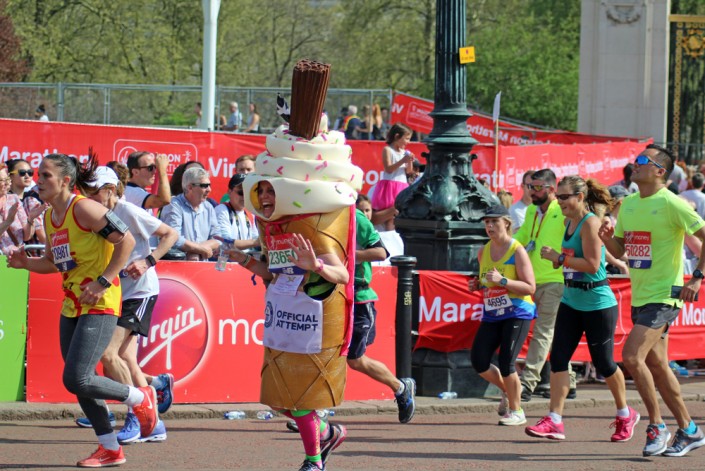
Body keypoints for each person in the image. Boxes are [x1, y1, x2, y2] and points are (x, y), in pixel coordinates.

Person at [5, 152, 158, 468]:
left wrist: (103, 281)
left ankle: (140, 397)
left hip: (101, 302)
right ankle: (111, 449)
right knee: (82, 381)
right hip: (73, 304)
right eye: (38, 174)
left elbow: (127, 242)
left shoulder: (85, 208)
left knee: (77, 378)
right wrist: (25, 263)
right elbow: (54, 263)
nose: (38, 180)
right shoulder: (51, 217)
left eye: (45, 175)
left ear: (65, 181)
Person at [230, 179, 351, 471]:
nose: (265, 197)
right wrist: (244, 260)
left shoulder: (312, 232)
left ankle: (314, 461)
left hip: (310, 323)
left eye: (272, 191)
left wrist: (316, 265)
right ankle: (326, 432)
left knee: (300, 401)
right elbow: (274, 273)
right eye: (261, 191)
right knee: (276, 400)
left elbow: (343, 276)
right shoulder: (274, 231)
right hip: (281, 317)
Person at [599, 144, 705, 457]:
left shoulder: (672, 203)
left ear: (660, 171)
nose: (636, 163)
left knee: (632, 357)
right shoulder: (630, 204)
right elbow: (621, 250)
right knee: (657, 366)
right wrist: (607, 238)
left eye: (643, 160)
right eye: (636, 159)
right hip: (641, 295)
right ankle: (689, 429)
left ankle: (657, 426)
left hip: (665, 295)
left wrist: (697, 276)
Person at [285, 194, 417, 435]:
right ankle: (317, 410)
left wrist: (349, 255)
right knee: (324, 351)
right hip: (328, 293)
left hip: (359, 296)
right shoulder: (315, 218)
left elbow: (381, 253)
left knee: (355, 359)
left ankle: (400, 387)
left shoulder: (356, 218)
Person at [525, 175, 639, 442]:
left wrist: (559, 257)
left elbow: (592, 264)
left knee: (604, 363)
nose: (559, 201)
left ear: (579, 197)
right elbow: (573, 261)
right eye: (558, 197)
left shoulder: (590, 223)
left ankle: (625, 413)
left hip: (597, 302)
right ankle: (554, 419)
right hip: (571, 299)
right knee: (558, 358)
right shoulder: (569, 222)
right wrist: (559, 261)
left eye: (564, 197)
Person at [80, 165, 178, 443]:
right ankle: (154, 422)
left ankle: (136, 414)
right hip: (116, 293)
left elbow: (170, 234)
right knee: (124, 358)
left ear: (110, 190)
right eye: (86, 192)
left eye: (94, 192)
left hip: (140, 292)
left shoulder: (128, 211)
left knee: (109, 355)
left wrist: (148, 261)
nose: (89, 198)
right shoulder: (93, 214)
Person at [469, 204, 536, 426]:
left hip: (517, 311)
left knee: (507, 361)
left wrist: (503, 280)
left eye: (494, 221)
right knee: (479, 360)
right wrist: (478, 284)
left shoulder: (516, 250)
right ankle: (508, 390)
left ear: (506, 223)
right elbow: (486, 281)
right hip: (493, 311)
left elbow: (530, 287)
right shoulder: (483, 251)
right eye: (487, 222)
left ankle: (517, 411)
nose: (489, 226)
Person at [514, 168, 577, 401]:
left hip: (556, 280)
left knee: (543, 332)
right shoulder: (532, 210)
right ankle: (569, 382)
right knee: (553, 334)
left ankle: (527, 384)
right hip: (532, 280)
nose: (532, 191)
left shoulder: (562, 210)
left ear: (551, 189)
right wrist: (498, 247)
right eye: (530, 186)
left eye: (537, 187)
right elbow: (522, 239)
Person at [160, 166, 224, 261]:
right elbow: (173, 238)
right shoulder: (174, 205)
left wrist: (197, 250)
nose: (209, 189)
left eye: (209, 185)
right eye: (204, 185)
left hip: (201, 264)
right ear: (190, 187)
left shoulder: (208, 207)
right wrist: (200, 249)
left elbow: (218, 238)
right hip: (176, 265)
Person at [370, 123, 415, 231]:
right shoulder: (387, 150)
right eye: (406, 138)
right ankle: (387, 235)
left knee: (395, 216)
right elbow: (388, 168)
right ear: (397, 136)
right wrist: (403, 161)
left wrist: (409, 161)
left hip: (402, 186)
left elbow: (409, 171)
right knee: (389, 213)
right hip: (390, 185)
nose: (408, 142)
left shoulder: (404, 152)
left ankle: (393, 235)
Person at [0, 163, 41, 255]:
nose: (7, 183)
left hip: (17, 257)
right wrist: (8, 221)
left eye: (7, 179)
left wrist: (31, 219)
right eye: (2, 180)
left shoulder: (13, 199)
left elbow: (26, 237)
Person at [6, 159, 47, 246]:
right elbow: (23, 236)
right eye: (22, 172)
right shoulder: (6, 199)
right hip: (10, 249)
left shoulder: (32, 197)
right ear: (10, 176)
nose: (27, 176)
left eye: (30, 172)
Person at [215, 173, 259, 251]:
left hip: (245, 257)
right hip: (227, 257)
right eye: (241, 192)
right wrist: (255, 242)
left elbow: (255, 238)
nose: (245, 196)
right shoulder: (222, 210)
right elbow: (225, 242)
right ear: (229, 192)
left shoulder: (250, 212)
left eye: (248, 192)